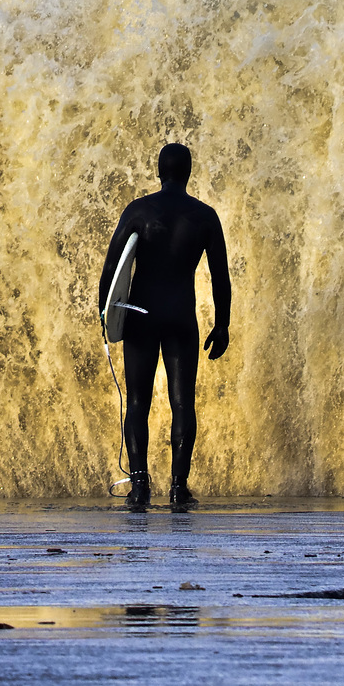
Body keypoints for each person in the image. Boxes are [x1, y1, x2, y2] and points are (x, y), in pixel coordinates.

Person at [98, 143, 231, 508]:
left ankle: (139, 486)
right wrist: (223, 324)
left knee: (138, 402)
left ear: (159, 172)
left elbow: (112, 268)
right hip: (180, 317)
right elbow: (220, 276)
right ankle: (178, 487)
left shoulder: (139, 210)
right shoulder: (205, 216)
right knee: (183, 403)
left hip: (141, 315)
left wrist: (104, 314)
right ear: (188, 173)